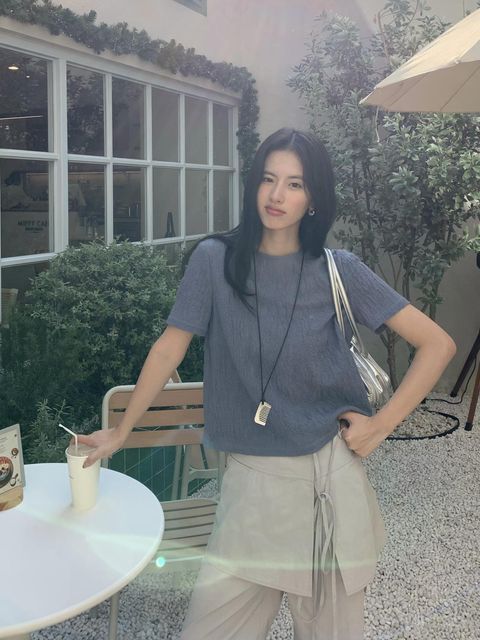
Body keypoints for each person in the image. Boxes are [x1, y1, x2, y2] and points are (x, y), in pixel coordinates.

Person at [79, 128, 456, 640]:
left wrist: (381, 426)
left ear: (313, 197)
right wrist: (122, 431)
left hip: (329, 485)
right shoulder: (215, 260)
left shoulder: (339, 270)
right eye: (268, 179)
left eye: (295, 184)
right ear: (253, 183)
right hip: (252, 487)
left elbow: (437, 344)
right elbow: (170, 347)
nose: (277, 196)